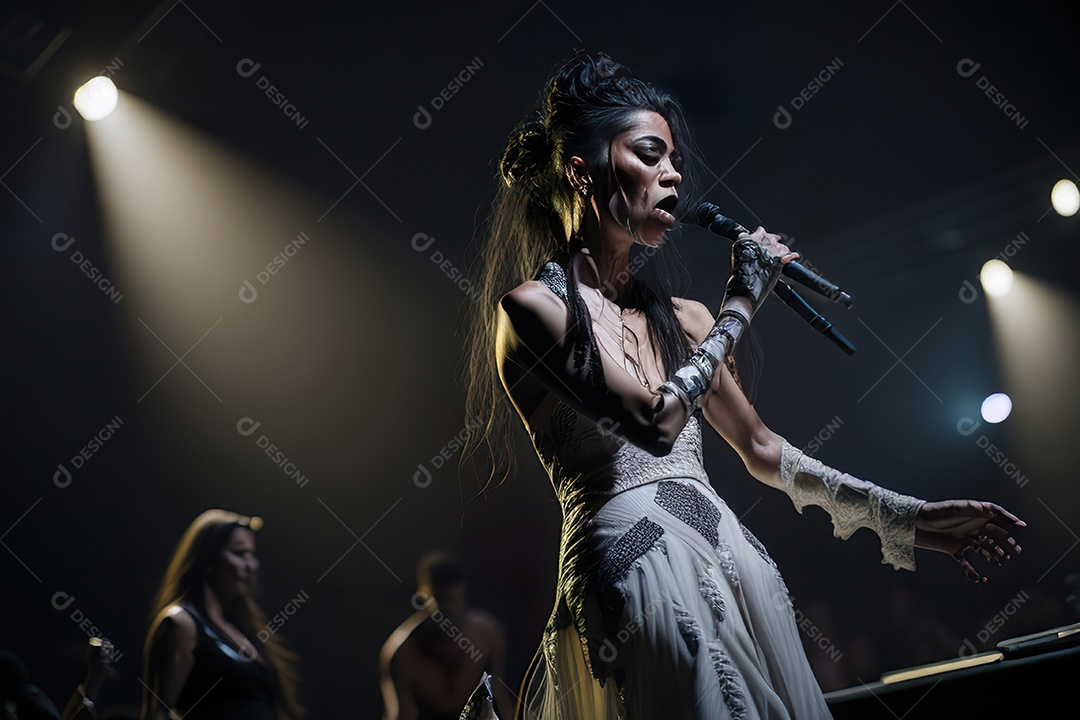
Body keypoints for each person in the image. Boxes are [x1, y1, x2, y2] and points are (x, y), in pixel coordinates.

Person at [461, 51, 1026, 719]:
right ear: (582, 173)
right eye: (650, 155)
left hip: (727, 559)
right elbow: (653, 422)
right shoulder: (533, 310)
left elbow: (761, 448)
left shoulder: (685, 319)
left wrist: (909, 519)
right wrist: (738, 307)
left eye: (675, 160)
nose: (673, 175)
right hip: (632, 572)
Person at [140, 510, 304, 720]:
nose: (251, 565)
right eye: (239, 553)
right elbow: (156, 713)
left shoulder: (238, 628)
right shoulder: (181, 624)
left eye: (252, 554)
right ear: (207, 559)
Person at [379, 553, 511, 720]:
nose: (450, 609)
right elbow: (402, 714)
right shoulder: (402, 654)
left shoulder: (487, 634)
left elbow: (499, 695)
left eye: (456, 599)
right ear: (423, 596)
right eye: (442, 600)